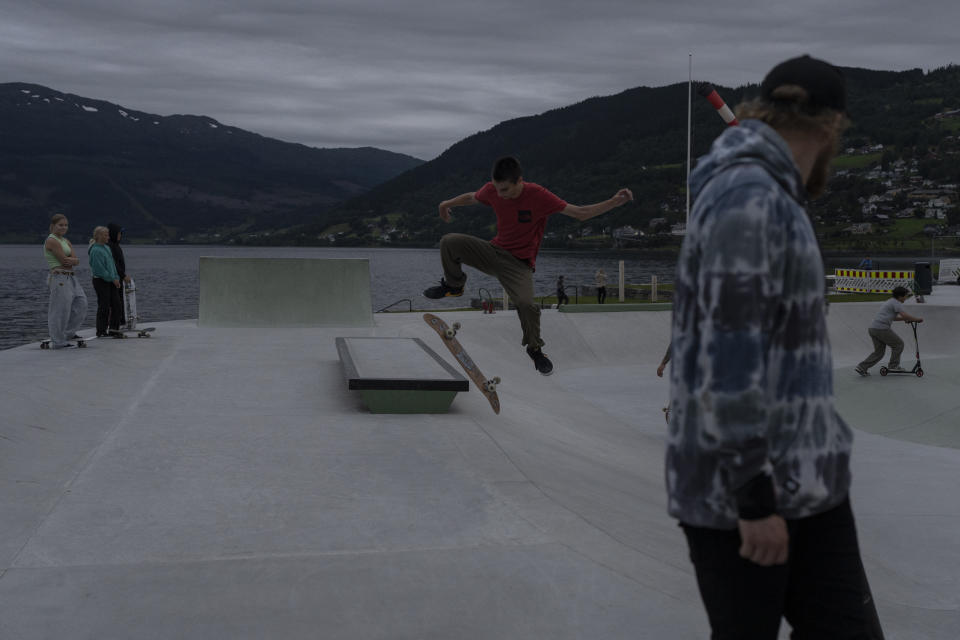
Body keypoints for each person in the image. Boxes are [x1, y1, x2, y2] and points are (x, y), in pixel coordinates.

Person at [666, 55, 884, 638]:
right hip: (743, 497)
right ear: (833, 126)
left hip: (810, 483)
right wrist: (754, 497)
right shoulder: (748, 196)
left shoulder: (772, 196)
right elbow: (727, 357)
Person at [423, 155, 633, 375]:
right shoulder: (493, 189)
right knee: (449, 242)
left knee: (526, 304)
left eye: (505, 190)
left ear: (519, 181)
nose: (500, 195)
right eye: (497, 189)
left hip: (519, 264)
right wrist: (445, 203)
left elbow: (580, 213)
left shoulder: (538, 195)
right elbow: (471, 197)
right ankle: (454, 286)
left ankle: (535, 349)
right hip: (494, 252)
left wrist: (614, 202)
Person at [855, 286, 923, 376]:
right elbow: (904, 314)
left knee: (879, 352)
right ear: (900, 296)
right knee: (898, 344)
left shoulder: (890, 301)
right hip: (881, 328)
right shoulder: (896, 303)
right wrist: (917, 319)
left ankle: (861, 367)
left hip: (873, 328)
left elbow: (892, 317)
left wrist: (904, 319)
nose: (906, 298)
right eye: (906, 296)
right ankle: (893, 366)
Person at [43, 213, 88, 349]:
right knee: (59, 310)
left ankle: (67, 334)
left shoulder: (66, 241)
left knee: (81, 304)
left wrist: (72, 261)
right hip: (59, 277)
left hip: (71, 277)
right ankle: (58, 341)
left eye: (66, 225)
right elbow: (64, 260)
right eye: (60, 225)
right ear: (52, 226)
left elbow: (75, 261)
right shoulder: (51, 241)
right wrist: (72, 260)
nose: (63, 227)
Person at [88, 226, 122, 337]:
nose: (108, 237)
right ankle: (101, 331)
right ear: (98, 236)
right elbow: (100, 270)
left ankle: (113, 329)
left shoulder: (106, 248)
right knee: (104, 306)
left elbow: (112, 265)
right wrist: (112, 279)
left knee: (117, 304)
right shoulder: (96, 250)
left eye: (108, 234)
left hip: (111, 280)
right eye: (105, 235)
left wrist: (116, 277)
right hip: (100, 281)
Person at [107, 222, 130, 328]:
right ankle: (113, 323)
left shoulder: (116, 245)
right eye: (119, 233)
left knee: (120, 300)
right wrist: (123, 275)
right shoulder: (110, 246)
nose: (120, 236)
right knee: (114, 302)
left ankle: (120, 320)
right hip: (114, 278)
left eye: (121, 234)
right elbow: (114, 264)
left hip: (118, 278)